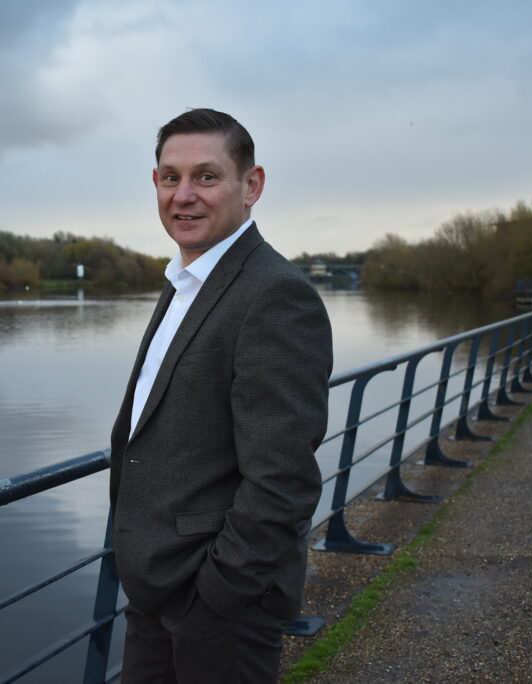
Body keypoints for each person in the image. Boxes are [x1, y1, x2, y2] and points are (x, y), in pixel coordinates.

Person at [109, 108, 332, 683]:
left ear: (251, 186)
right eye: (170, 177)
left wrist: (218, 593)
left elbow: (284, 479)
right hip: (158, 587)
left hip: (218, 605)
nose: (183, 195)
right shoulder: (186, 281)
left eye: (206, 177)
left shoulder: (275, 295)